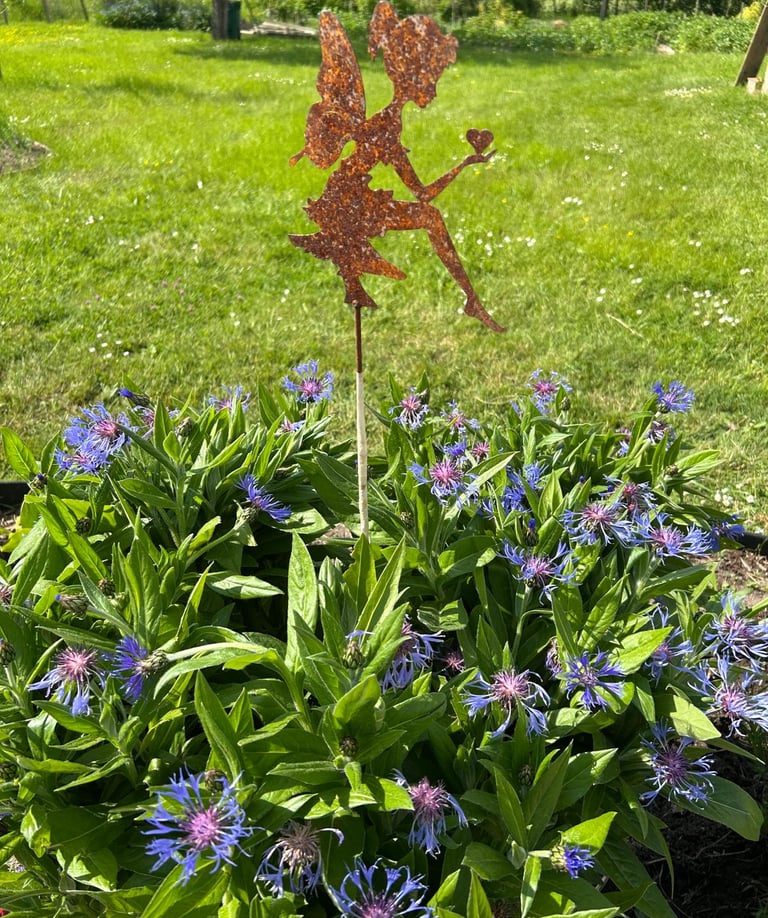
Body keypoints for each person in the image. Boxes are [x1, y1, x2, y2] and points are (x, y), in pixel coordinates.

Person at [290, 0, 504, 332]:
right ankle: (469, 301)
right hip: (348, 204)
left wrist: (465, 163)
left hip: (353, 198)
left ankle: (470, 301)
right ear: (410, 77)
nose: (433, 90)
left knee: (430, 218)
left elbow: (421, 192)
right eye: (430, 79)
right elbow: (421, 195)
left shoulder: (391, 123)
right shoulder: (386, 125)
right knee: (430, 219)